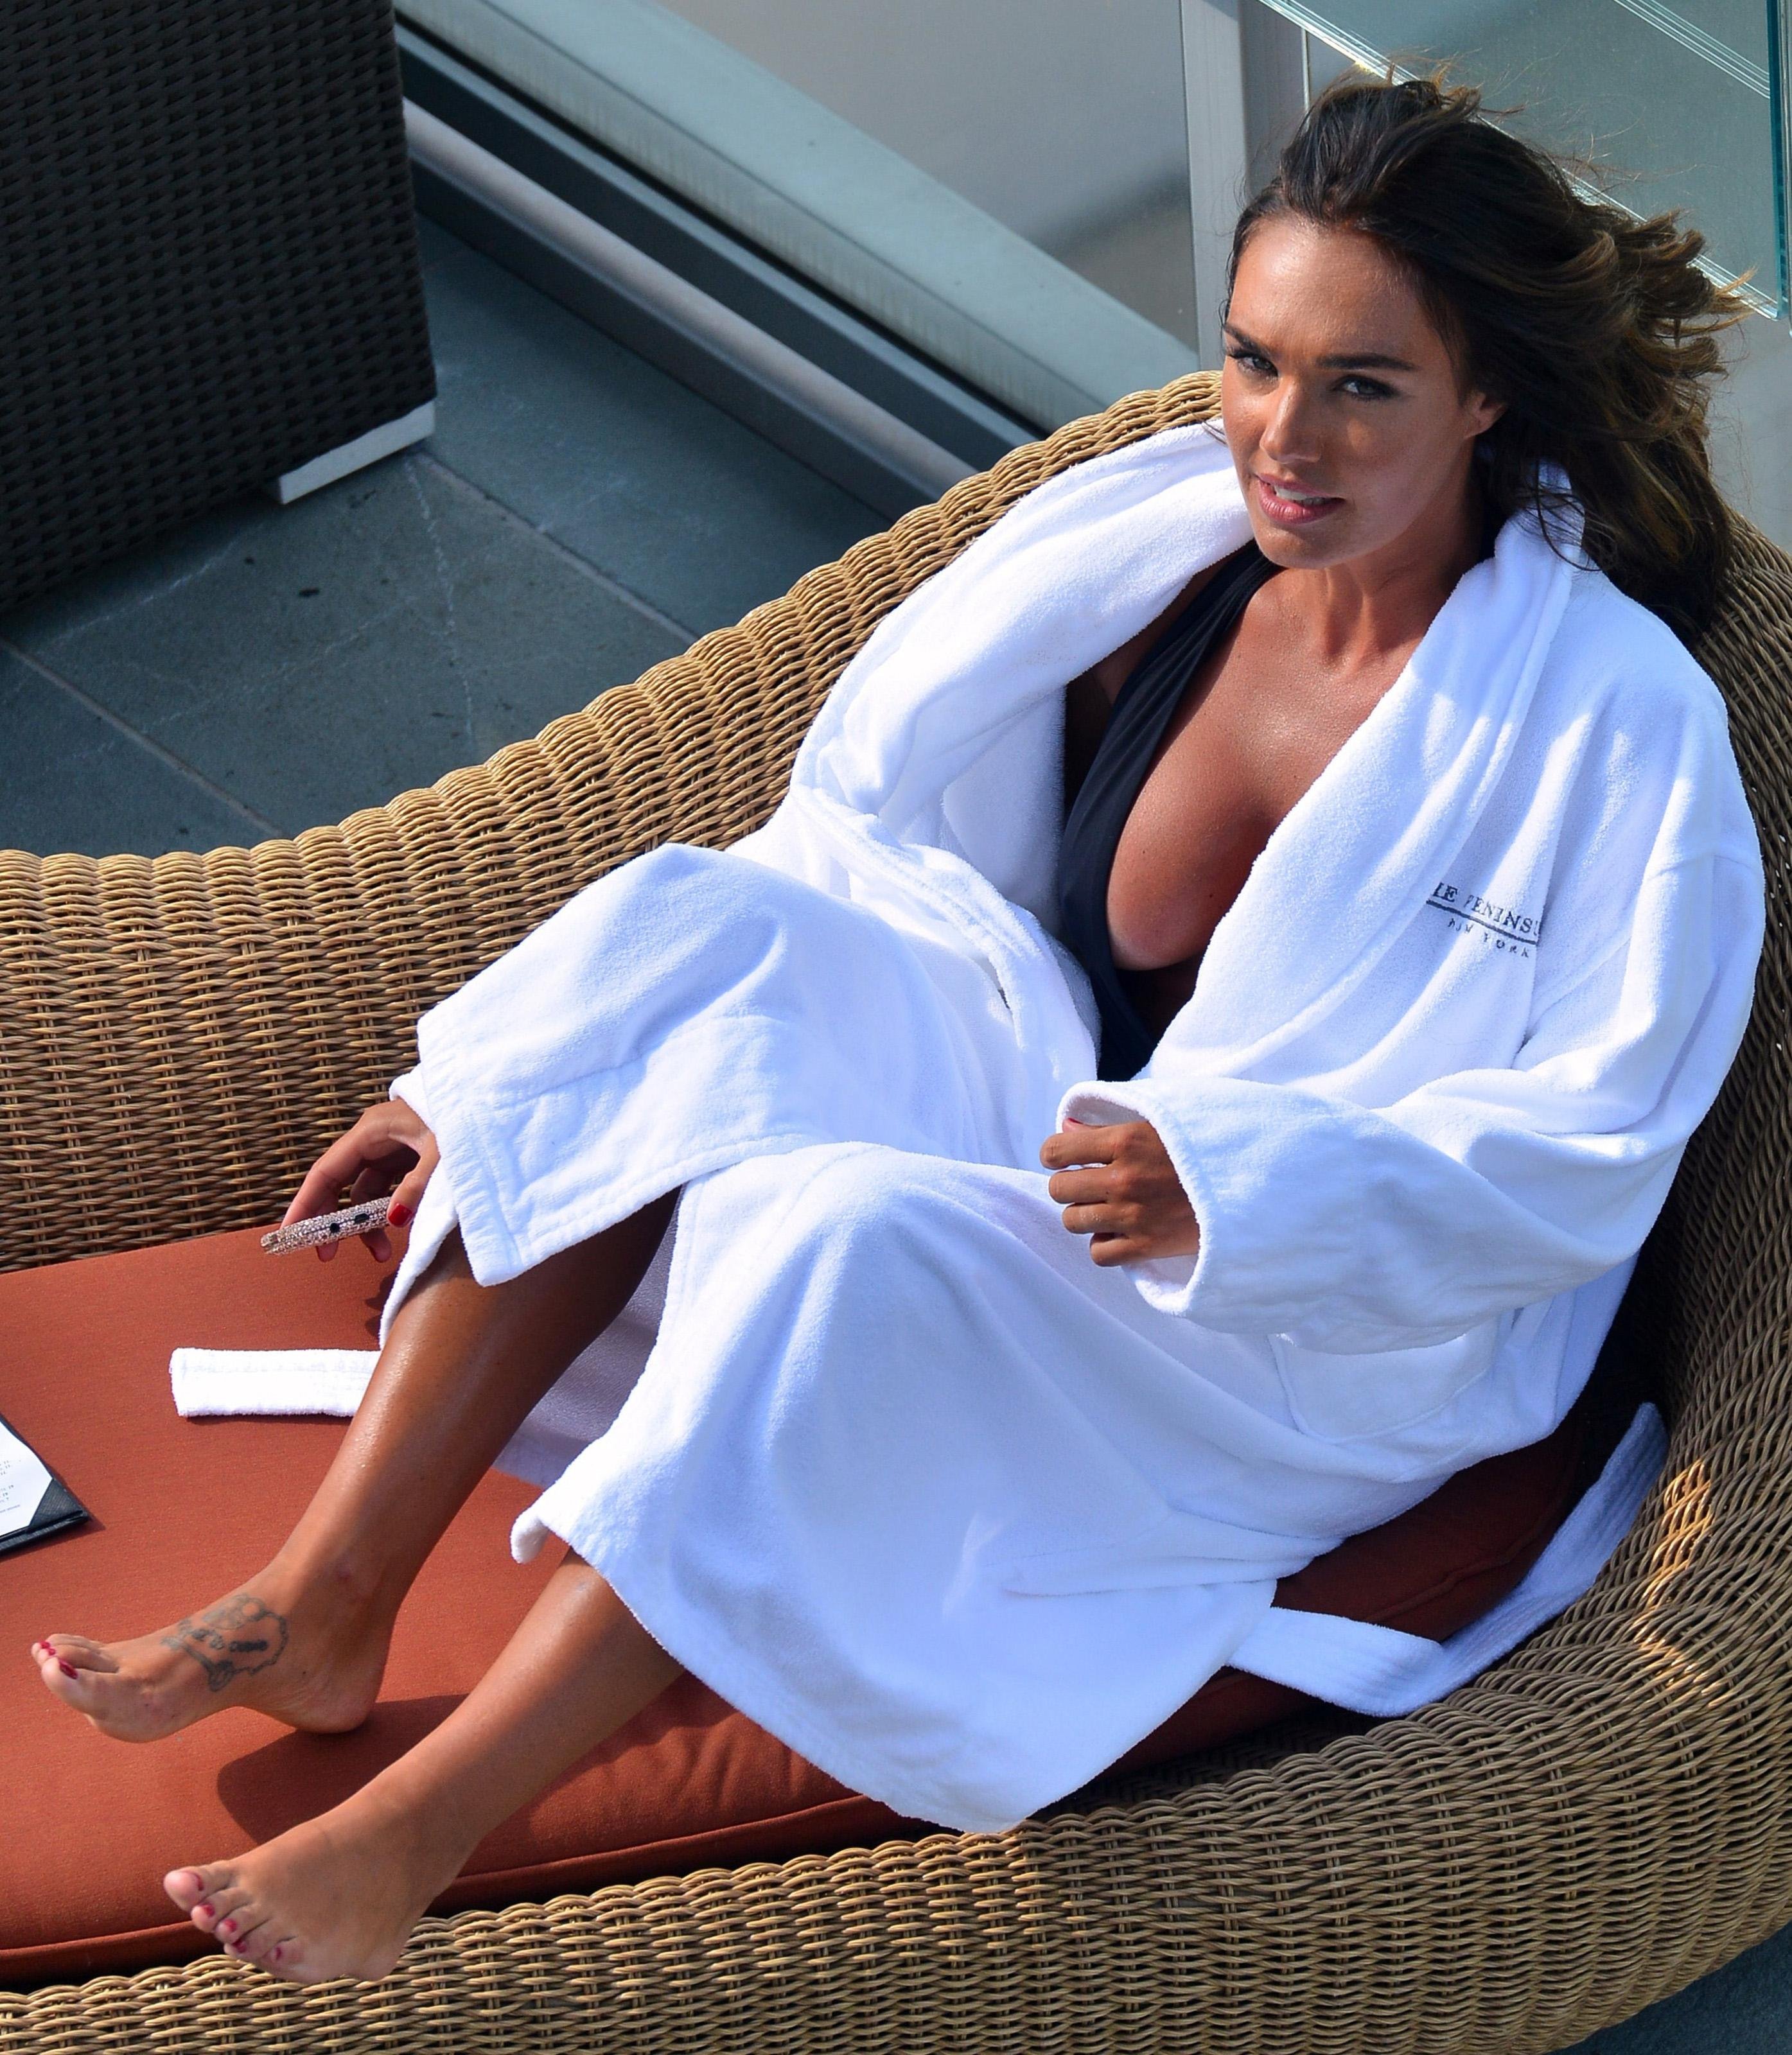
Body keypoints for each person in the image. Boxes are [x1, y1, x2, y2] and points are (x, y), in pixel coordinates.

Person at [31, 75, 1764, 1984]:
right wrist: (527, 1078)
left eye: (1363, 385)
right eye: (1256, 360)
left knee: (838, 1236)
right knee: (708, 935)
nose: (1283, 436)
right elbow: (866, 852)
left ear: (1489, 395)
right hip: (1058, 1129)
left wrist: (1242, 1187)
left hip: (1298, 1322)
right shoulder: (1162, 556)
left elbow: (1597, 1143)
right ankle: (321, 1601)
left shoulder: (1610, 728)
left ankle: (422, 1827)